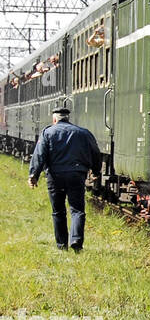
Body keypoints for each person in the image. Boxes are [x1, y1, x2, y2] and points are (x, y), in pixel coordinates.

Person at [28, 107, 103, 252]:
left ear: (54, 119)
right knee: (77, 210)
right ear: (68, 118)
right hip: (76, 175)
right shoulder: (83, 133)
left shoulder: (47, 132)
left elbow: (39, 155)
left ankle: (62, 245)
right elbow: (95, 152)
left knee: (58, 211)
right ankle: (76, 241)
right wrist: (96, 170)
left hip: (55, 176)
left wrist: (33, 175)